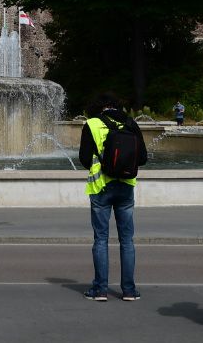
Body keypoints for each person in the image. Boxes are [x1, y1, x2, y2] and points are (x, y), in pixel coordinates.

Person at [79, 93, 147, 302]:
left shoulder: (91, 124)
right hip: (126, 186)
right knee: (127, 240)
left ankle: (100, 289)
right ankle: (128, 290)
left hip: (101, 187)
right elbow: (143, 159)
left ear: (98, 107)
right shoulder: (130, 123)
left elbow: (83, 159)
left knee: (101, 239)